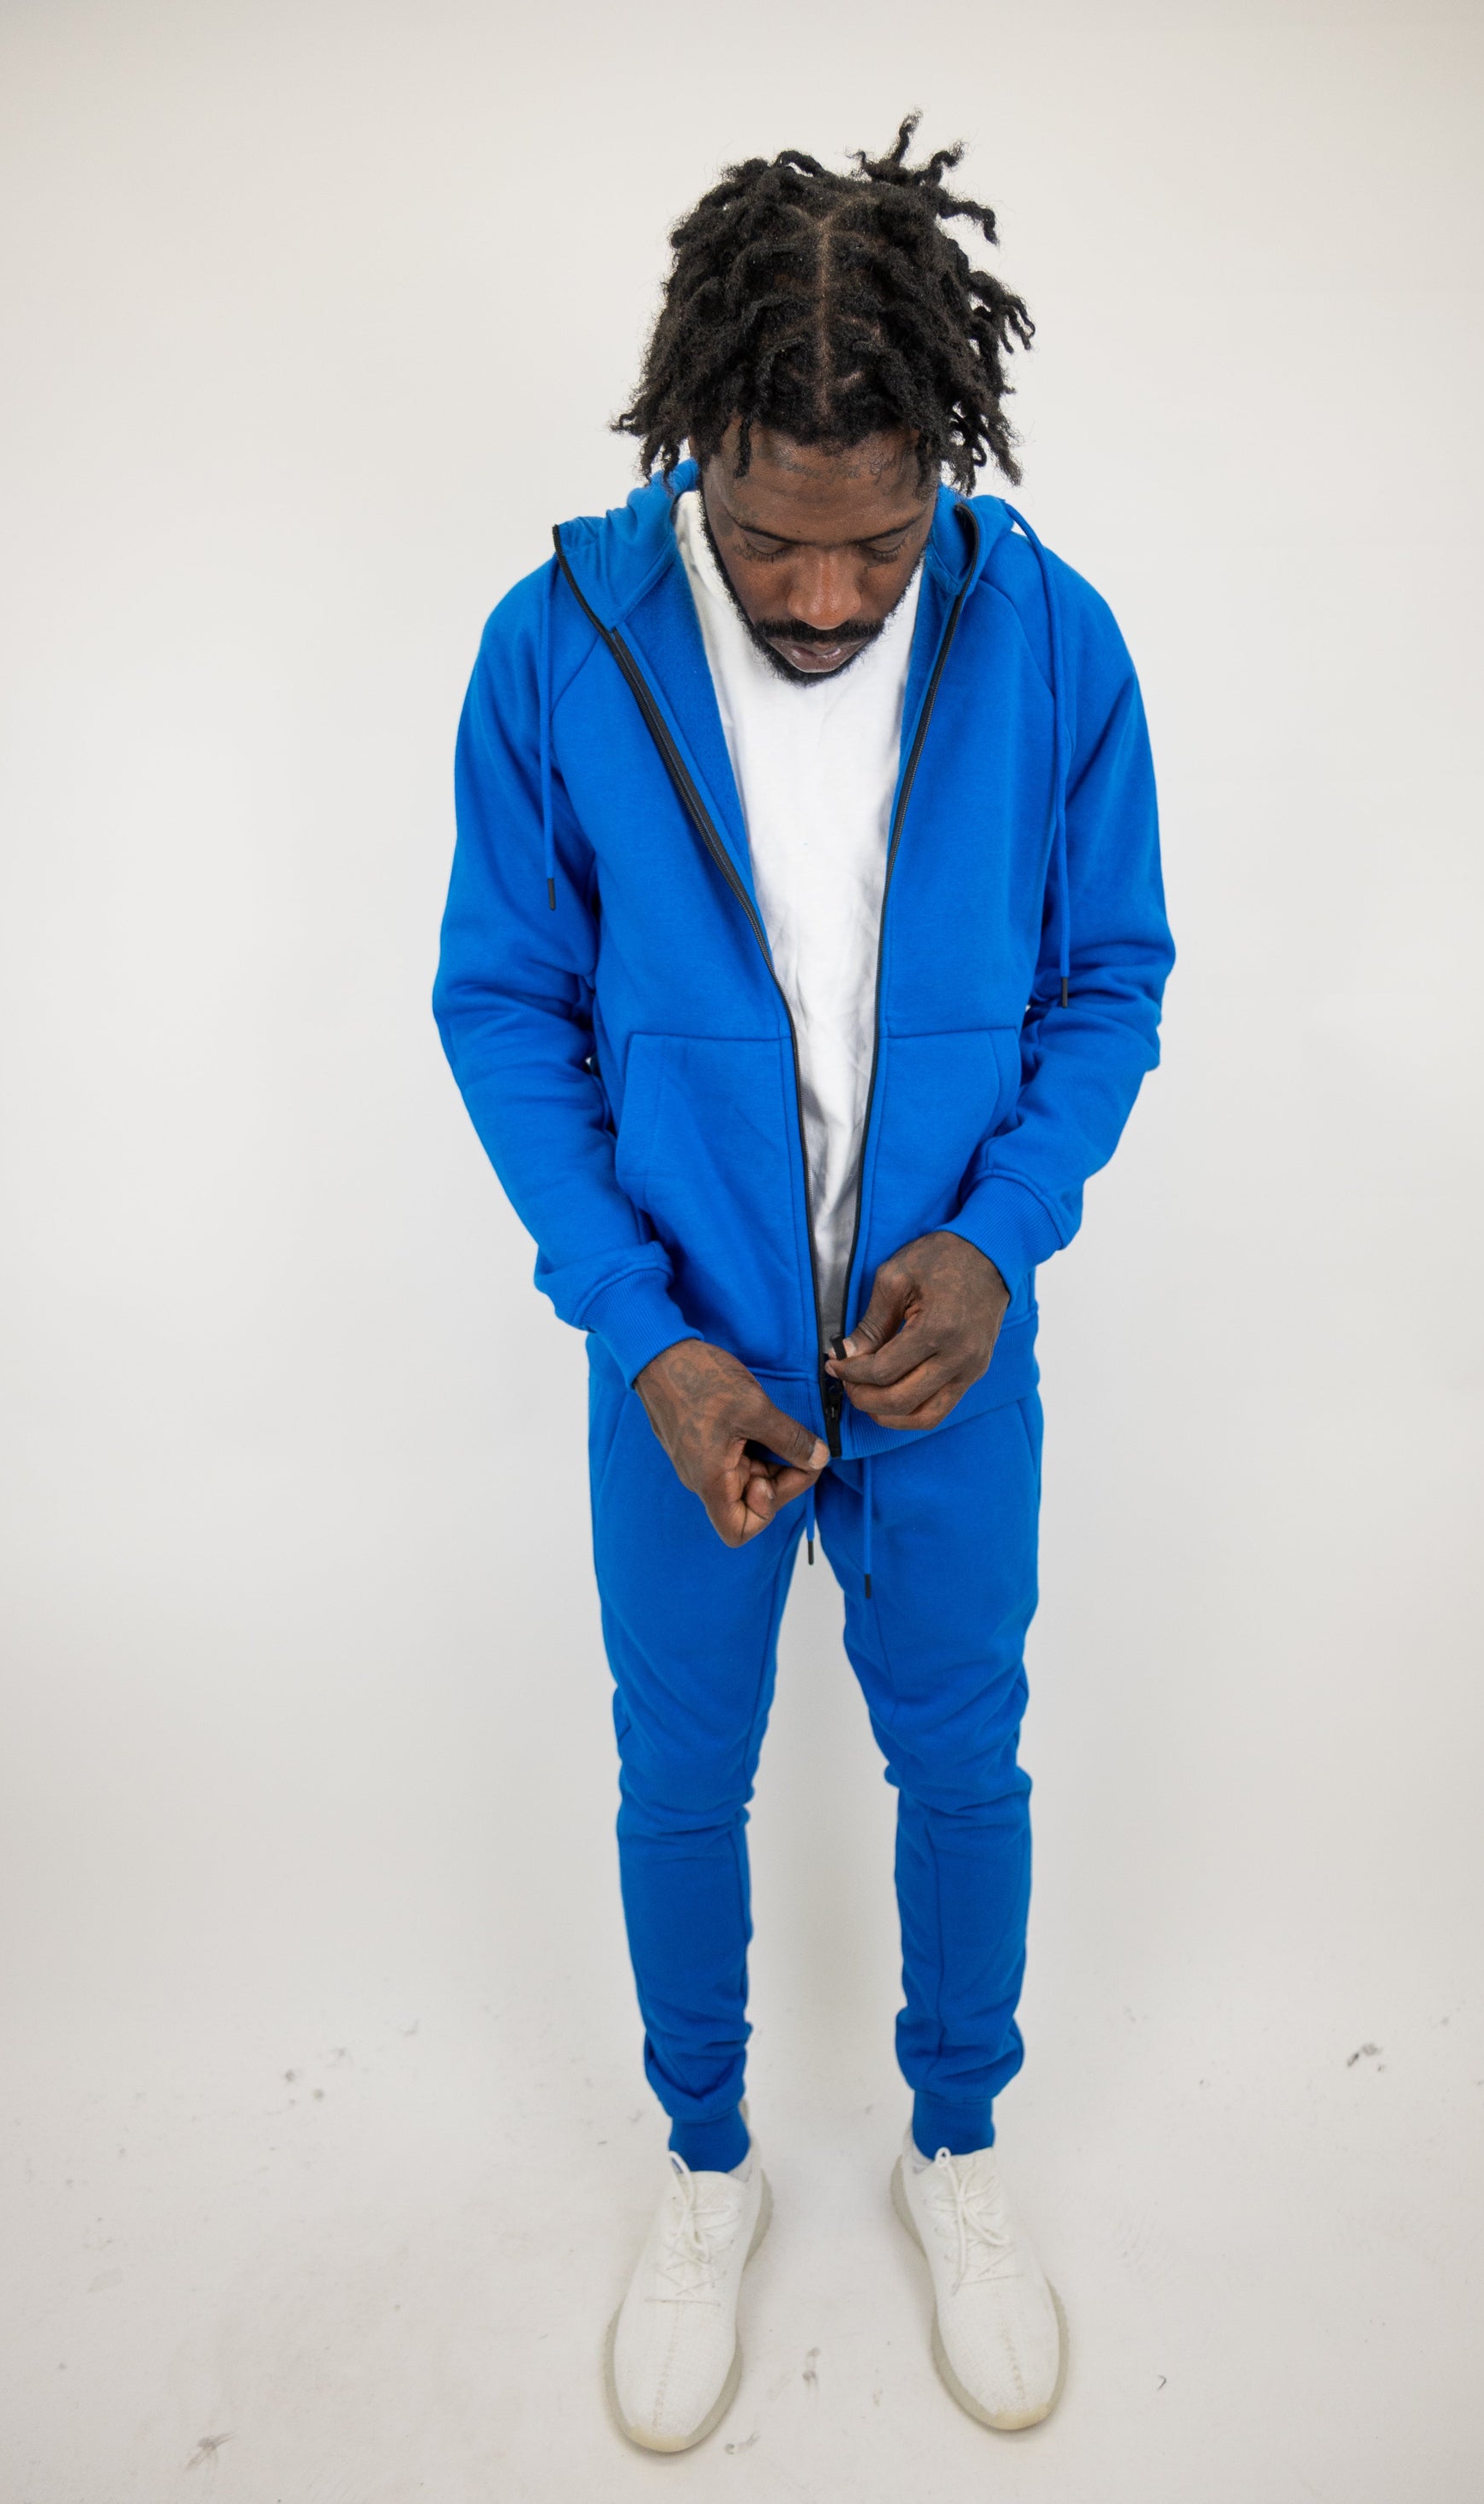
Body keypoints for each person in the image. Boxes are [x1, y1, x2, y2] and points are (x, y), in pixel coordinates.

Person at [433, 118, 1173, 2452]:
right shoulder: (559, 649)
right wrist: (641, 1330)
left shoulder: (1048, 639)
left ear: (945, 462)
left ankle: (959, 2147)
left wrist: (996, 1238)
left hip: (947, 1351)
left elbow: (1111, 978)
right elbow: (502, 1006)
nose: (830, 595)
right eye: (771, 539)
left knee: (962, 1754)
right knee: (681, 1771)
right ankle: (703, 2166)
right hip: (689, 1355)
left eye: (882, 537)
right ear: (693, 453)